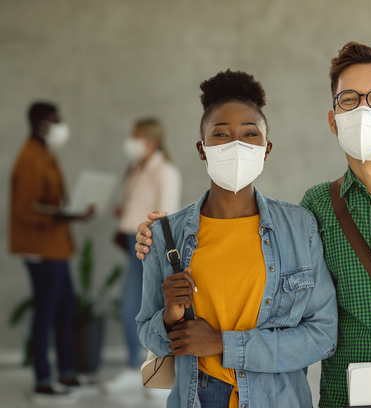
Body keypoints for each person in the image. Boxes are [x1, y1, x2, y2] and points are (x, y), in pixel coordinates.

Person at [136, 44, 371, 408]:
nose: (362, 109)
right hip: (346, 400)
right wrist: (160, 234)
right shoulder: (319, 207)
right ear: (332, 119)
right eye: (348, 100)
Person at [136, 70, 338, 408]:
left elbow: (322, 335)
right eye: (220, 134)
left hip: (278, 400)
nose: (236, 145)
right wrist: (170, 315)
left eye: (249, 134)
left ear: (266, 148)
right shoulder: (165, 234)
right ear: (202, 149)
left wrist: (224, 344)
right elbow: (149, 334)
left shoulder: (300, 227)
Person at [9, 101, 94, 401]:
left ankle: (67, 372)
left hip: (55, 247)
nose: (61, 127)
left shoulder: (44, 155)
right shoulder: (29, 160)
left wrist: (72, 213)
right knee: (47, 311)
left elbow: (52, 203)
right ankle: (43, 378)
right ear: (41, 123)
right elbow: (27, 211)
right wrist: (68, 215)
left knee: (66, 307)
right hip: (40, 249)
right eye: (55, 121)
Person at [109, 118, 181, 391]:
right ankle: (133, 366)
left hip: (150, 247)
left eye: (136, 136)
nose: (132, 141)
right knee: (131, 309)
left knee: (152, 310)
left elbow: (165, 215)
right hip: (132, 243)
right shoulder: (137, 168)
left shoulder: (165, 171)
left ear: (151, 140)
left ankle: (156, 373)